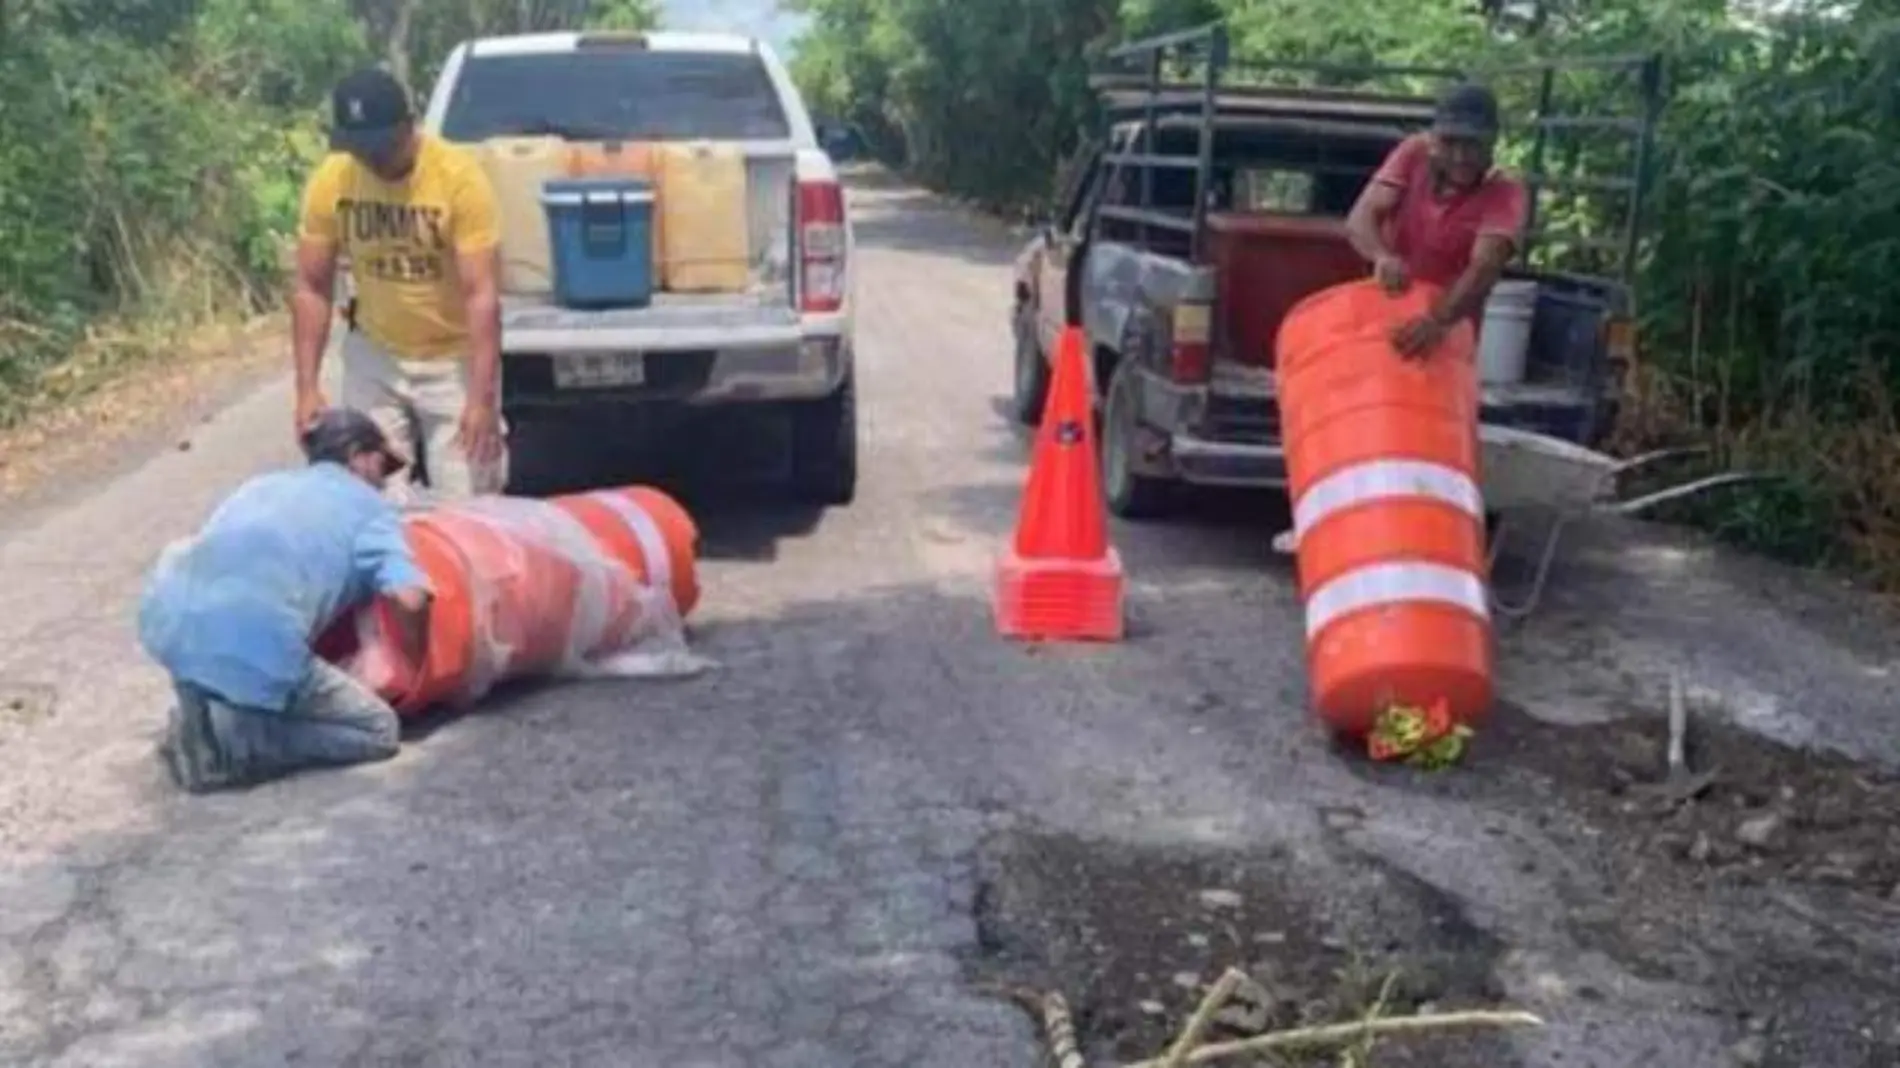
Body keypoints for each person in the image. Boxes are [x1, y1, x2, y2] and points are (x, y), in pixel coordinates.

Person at [138, 409, 433, 793]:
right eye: (382, 465)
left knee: (217, 634)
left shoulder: (260, 486)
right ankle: (237, 740)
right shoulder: (371, 511)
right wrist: (416, 666)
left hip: (169, 619)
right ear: (360, 456)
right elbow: (410, 599)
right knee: (378, 730)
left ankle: (197, 720)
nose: (382, 480)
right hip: (255, 637)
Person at [291, 66, 507, 501]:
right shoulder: (334, 179)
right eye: (360, 150)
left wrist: (481, 400)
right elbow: (311, 287)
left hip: (453, 362)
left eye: (382, 147)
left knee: (467, 505)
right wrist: (307, 388)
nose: (372, 160)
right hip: (377, 356)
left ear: (409, 128)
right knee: (367, 500)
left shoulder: (458, 179)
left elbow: (481, 295)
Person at [1344, 82, 1529, 359]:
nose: (1460, 157)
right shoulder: (1413, 153)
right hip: (1386, 316)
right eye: (1449, 142)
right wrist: (1381, 256)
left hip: (1449, 329)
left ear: (1492, 142)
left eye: (1472, 145)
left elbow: (1485, 266)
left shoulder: (1505, 191)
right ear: (1433, 139)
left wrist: (1439, 319)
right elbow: (1360, 219)